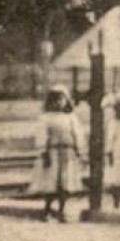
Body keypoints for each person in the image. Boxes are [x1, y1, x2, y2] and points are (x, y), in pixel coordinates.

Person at [26, 86, 83, 222]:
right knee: (51, 183)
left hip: (67, 152)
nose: (58, 102)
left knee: (65, 183)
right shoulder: (46, 118)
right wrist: (43, 152)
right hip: (52, 152)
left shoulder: (71, 118)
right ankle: (47, 209)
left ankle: (62, 211)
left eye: (61, 99)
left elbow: (77, 134)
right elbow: (41, 136)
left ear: (66, 101)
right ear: (50, 102)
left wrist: (78, 150)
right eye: (55, 100)